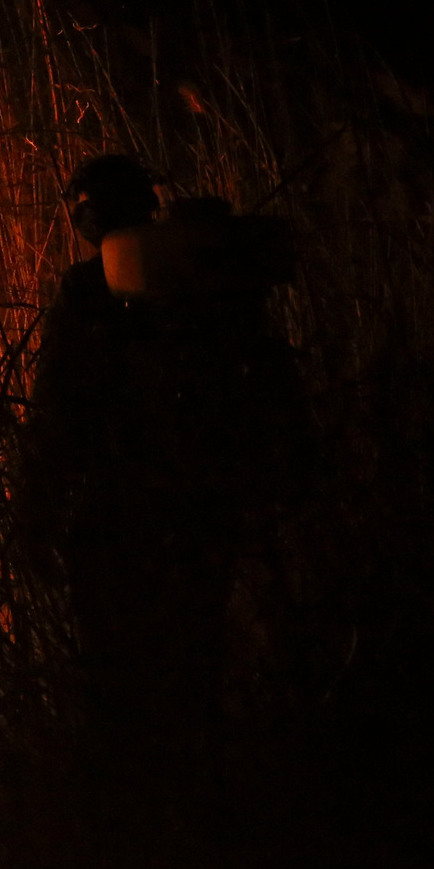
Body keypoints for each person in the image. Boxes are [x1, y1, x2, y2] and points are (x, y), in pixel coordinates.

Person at [22, 154, 298, 798]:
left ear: (89, 212)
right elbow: (270, 382)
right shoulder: (217, 273)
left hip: (116, 511)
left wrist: (35, 515)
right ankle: (200, 788)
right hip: (206, 501)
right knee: (195, 651)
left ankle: (132, 807)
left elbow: (56, 411)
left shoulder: (88, 291)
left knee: (114, 668)